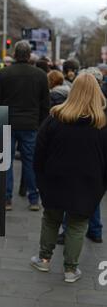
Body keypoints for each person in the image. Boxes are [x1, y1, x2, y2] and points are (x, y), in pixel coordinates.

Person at [31, 73, 107, 283]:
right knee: (77, 225)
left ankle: (44, 259)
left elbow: (40, 151)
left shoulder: (56, 117)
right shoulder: (102, 123)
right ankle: (71, 269)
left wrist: (39, 178)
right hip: (88, 183)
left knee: (51, 219)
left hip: (55, 179)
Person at [0, 40, 50, 212]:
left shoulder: (3, 74)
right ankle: (33, 199)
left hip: (7, 122)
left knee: (5, 162)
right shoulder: (40, 75)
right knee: (30, 162)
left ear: (14, 54)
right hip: (30, 124)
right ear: (29, 55)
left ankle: (7, 199)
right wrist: (41, 124)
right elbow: (45, 104)